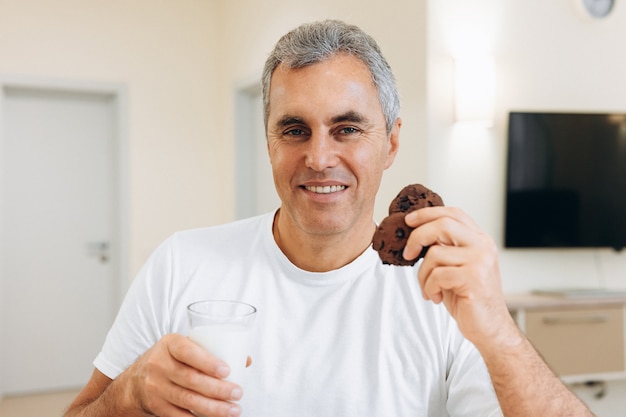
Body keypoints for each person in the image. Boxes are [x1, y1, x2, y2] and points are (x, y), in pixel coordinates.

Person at [65, 20, 593, 417]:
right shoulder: (182, 263)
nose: (319, 157)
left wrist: (499, 332)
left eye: (347, 129)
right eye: (295, 129)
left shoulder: (443, 295)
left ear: (391, 142)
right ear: (268, 142)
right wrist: (129, 395)